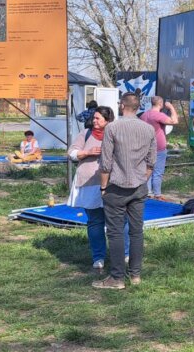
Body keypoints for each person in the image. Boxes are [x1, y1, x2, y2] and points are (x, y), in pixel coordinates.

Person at [93, 94, 157, 290]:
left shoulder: (112, 127)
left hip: (116, 187)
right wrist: (141, 180)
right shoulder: (149, 129)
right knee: (137, 232)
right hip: (139, 188)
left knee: (115, 233)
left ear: (122, 106)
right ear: (138, 107)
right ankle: (135, 275)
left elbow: (105, 163)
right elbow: (151, 162)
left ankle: (117, 278)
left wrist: (103, 187)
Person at [66, 106, 128, 273]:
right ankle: (98, 258)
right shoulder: (85, 134)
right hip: (89, 183)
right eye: (94, 118)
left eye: (98, 118)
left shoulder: (116, 135)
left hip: (113, 184)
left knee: (120, 220)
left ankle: (125, 255)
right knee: (95, 222)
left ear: (108, 121)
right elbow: (71, 152)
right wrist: (86, 152)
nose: (94, 121)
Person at [140, 96, 179, 201]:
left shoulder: (144, 115)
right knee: (158, 172)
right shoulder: (158, 115)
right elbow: (175, 121)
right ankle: (157, 195)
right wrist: (171, 108)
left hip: (145, 147)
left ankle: (147, 193)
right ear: (161, 104)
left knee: (147, 170)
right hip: (158, 147)